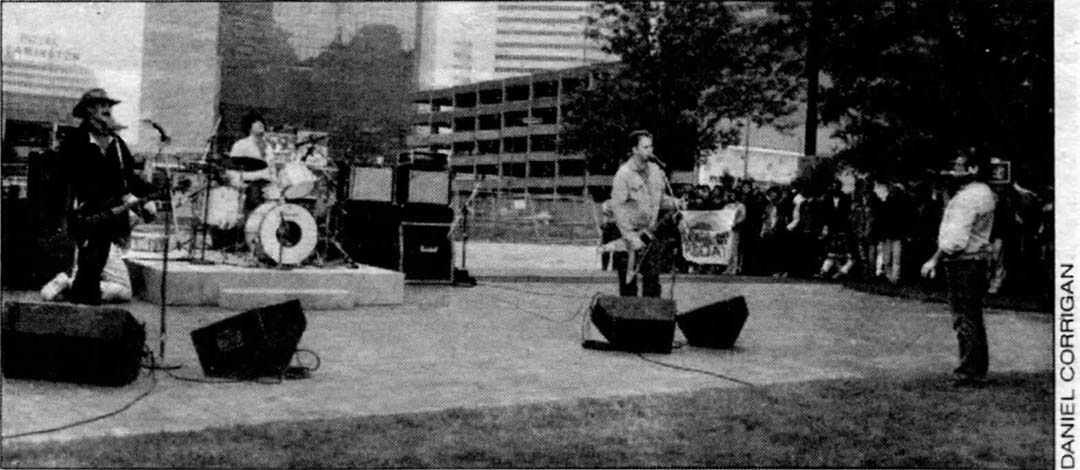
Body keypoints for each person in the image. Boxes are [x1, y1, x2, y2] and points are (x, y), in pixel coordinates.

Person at [60, 89, 157, 305]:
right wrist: (67, 217)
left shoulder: (116, 142)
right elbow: (65, 181)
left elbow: (129, 177)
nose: (106, 109)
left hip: (111, 215)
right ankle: (82, 308)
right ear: (88, 110)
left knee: (94, 265)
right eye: (99, 105)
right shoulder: (75, 140)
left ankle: (85, 306)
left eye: (107, 105)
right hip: (86, 214)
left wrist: (150, 192)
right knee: (88, 264)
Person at [920, 152, 996, 386]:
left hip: (963, 260)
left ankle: (969, 370)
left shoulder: (966, 199)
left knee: (963, 316)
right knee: (973, 314)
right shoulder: (986, 194)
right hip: (978, 258)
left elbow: (955, 239)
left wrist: (934, 259)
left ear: (972, 169)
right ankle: (976, 367)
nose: (954, 171)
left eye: (960, 166)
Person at [608, 130, 679, 297]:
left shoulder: (656, 171)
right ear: (635, 149)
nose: (650, 150)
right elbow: (618, 208)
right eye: (645, 147)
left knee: (653, 281)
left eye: (651, 146)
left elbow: (658, 199)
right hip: (630, 236)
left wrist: (674, 203)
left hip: (651, 235)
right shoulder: (623, 174)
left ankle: (652, 321)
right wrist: (630, 238)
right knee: (628, 285)